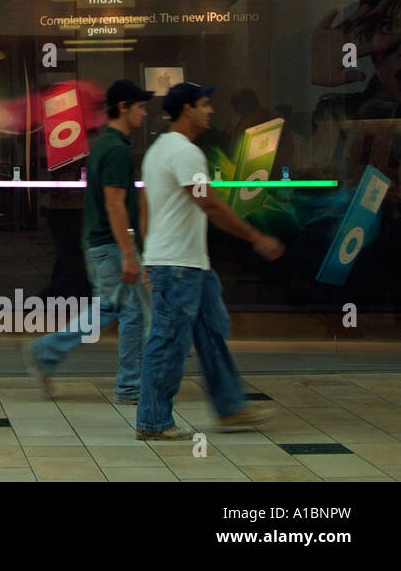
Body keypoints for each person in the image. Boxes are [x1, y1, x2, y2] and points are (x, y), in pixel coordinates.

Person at [135, 82, 285, 440]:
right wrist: (256, 237)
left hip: (188, 264)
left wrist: (148, 254)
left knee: (211, 334)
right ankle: (153, 421)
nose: (211, 111)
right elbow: (209, 203)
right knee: (169, 340)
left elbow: (145, 207)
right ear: (186, 109)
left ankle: (231, 407)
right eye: (204, 105)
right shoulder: (184, 153)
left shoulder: (157, 151)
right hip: (178, 267)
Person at [25, 80, 154, 403]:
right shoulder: (117, 150)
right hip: (110, 246)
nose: (144, 112)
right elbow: (114, 203)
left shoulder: (102, 146)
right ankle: (130, 385)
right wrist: (128, 252)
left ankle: (47, 351)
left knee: (110, 309)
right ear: (123, 107)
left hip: (99, 245)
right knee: (133, 313)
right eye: (140, 106)